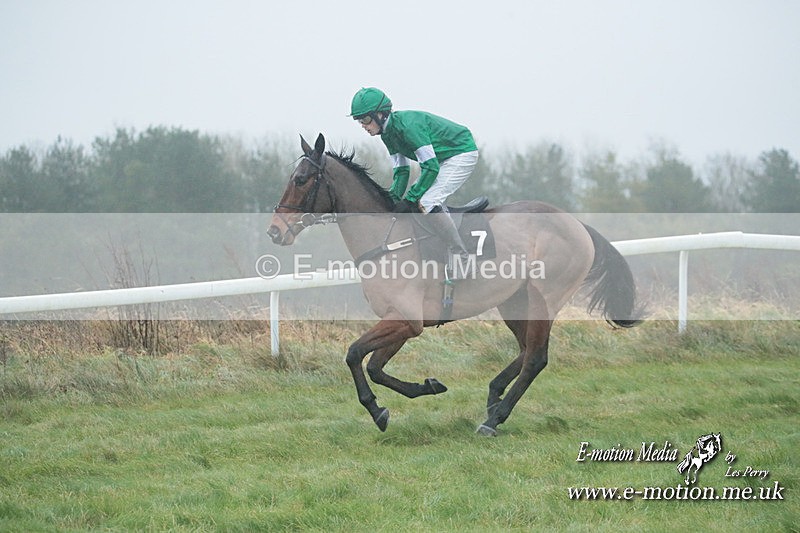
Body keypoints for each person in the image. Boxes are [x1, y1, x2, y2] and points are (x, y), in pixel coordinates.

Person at [349, 87, 479, 264]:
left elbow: (431, 167)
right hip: (443, 158)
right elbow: (402, 171)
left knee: (426, 201)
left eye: (365, 119)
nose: (363, 126)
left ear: (380, 114)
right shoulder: (387, 134)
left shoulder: (408, 127)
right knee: (418, 199)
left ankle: (462, 256)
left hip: (461, 153)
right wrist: (391, 200)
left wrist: (409, 199)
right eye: (359, 121)